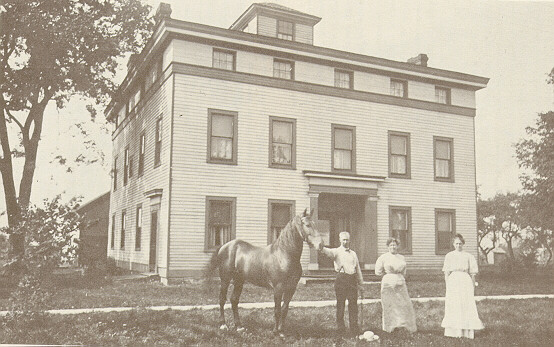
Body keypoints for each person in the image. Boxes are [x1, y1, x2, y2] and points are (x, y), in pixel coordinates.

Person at [318, 231, 364, 336]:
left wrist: (361, 283)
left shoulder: (353, 253)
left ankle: (354, 328)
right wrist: (321, 246)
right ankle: (341, 329)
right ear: (340, 240)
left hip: (352, 279)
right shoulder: (336, 252)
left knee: (353, 305)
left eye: (347, 239)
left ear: (350, 240)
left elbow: (358, 269)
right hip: (341, 279)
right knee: (341, 305)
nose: (345, 241)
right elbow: (327, 251)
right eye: (343, 239)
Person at [441, 233, 484, 339]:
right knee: (454, 304)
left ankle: (467, 331)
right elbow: (446, 272)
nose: (458, 245)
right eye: (456, 243)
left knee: (466, 304)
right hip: (453, 280)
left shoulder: (468, 256)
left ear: (463, 244)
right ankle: (454, 331)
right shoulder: (449, 256)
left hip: (465, 280)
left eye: (460, 243)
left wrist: (473, 285)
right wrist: (448, 285)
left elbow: (473, 273)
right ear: (453, 244)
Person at [375, 238, 417, 334]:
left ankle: (404, 325)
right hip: (388, 283)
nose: (393, 247)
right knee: (389, 305)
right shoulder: (383, 257)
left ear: (398, 246)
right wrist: (388, 276)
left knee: (404, 304)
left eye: (394, 245)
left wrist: (400, 277)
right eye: (391, 245)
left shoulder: (401, 257)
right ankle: (389, 327)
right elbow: (378, 272)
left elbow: (404, 271)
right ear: (388, 247)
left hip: (400, 281)